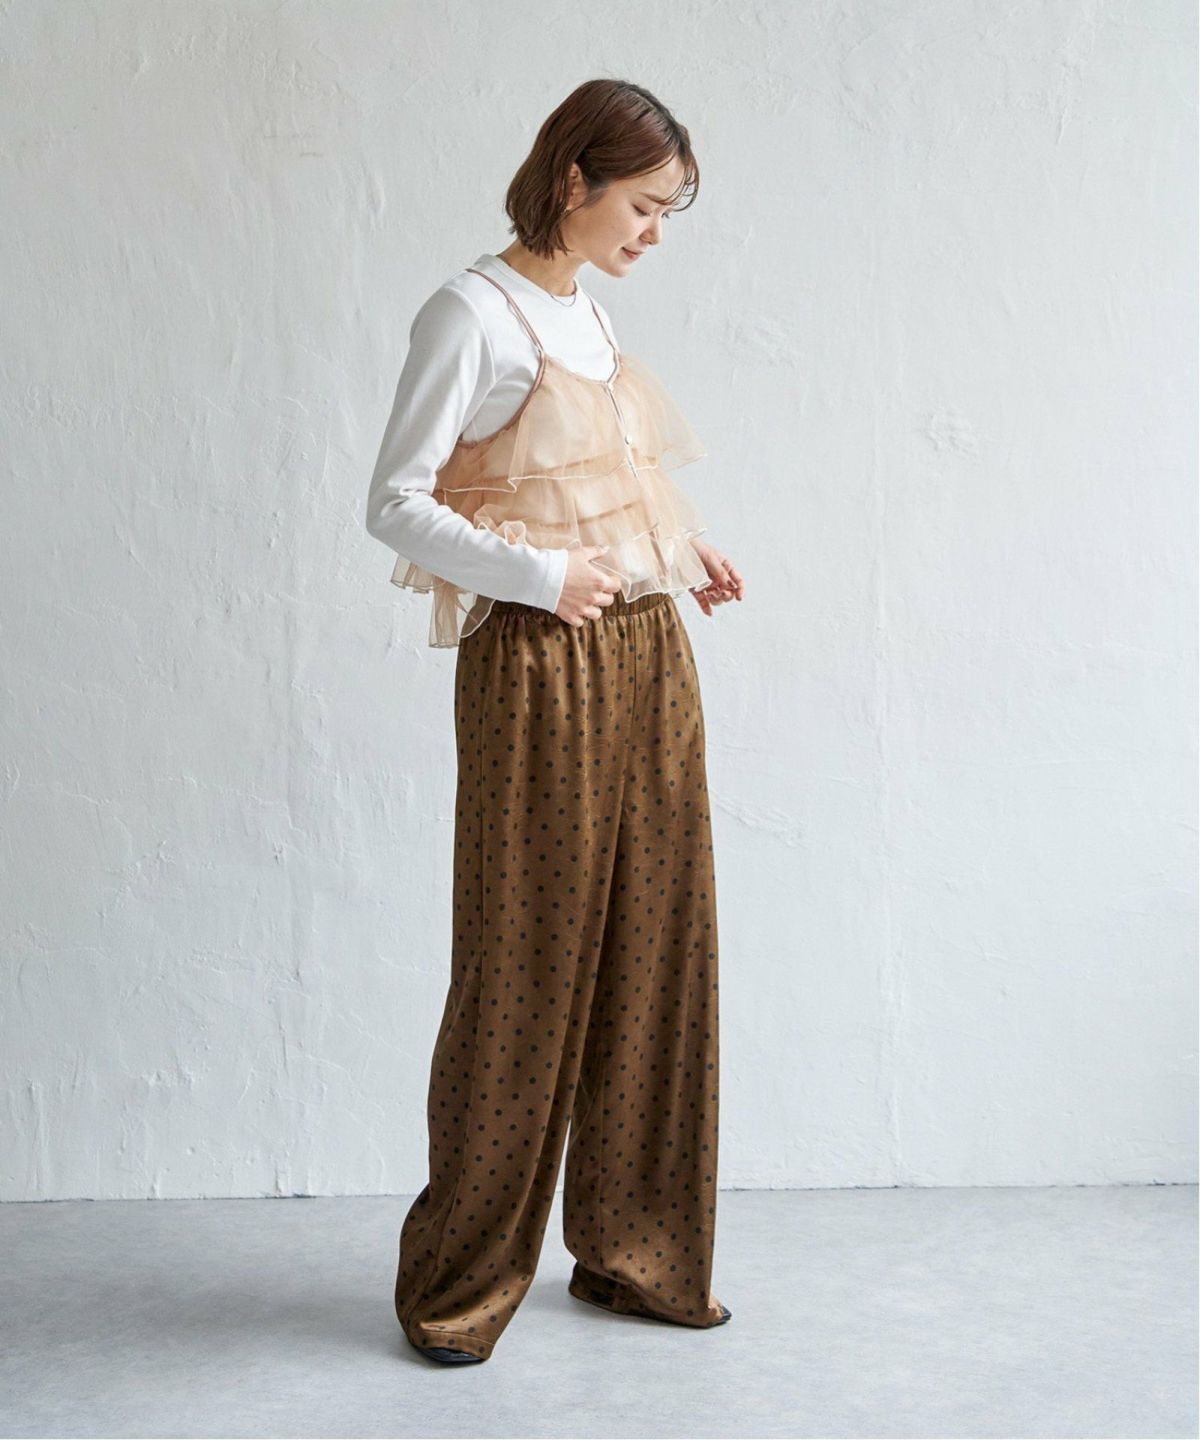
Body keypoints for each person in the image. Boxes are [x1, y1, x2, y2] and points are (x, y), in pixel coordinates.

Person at [365, 77, 746, 1365]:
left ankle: (635, 1254)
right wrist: (537, 577)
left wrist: (682, 550)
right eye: (644, 205)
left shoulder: (582, 311)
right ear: (574, 180)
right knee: (525, 963)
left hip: (649, 652)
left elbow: (590, 488)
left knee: (657, 949)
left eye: (670, 210)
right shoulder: (471, 313)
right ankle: (461, 1284)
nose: (655, 233)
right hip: (538, 666)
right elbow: (397, 501)